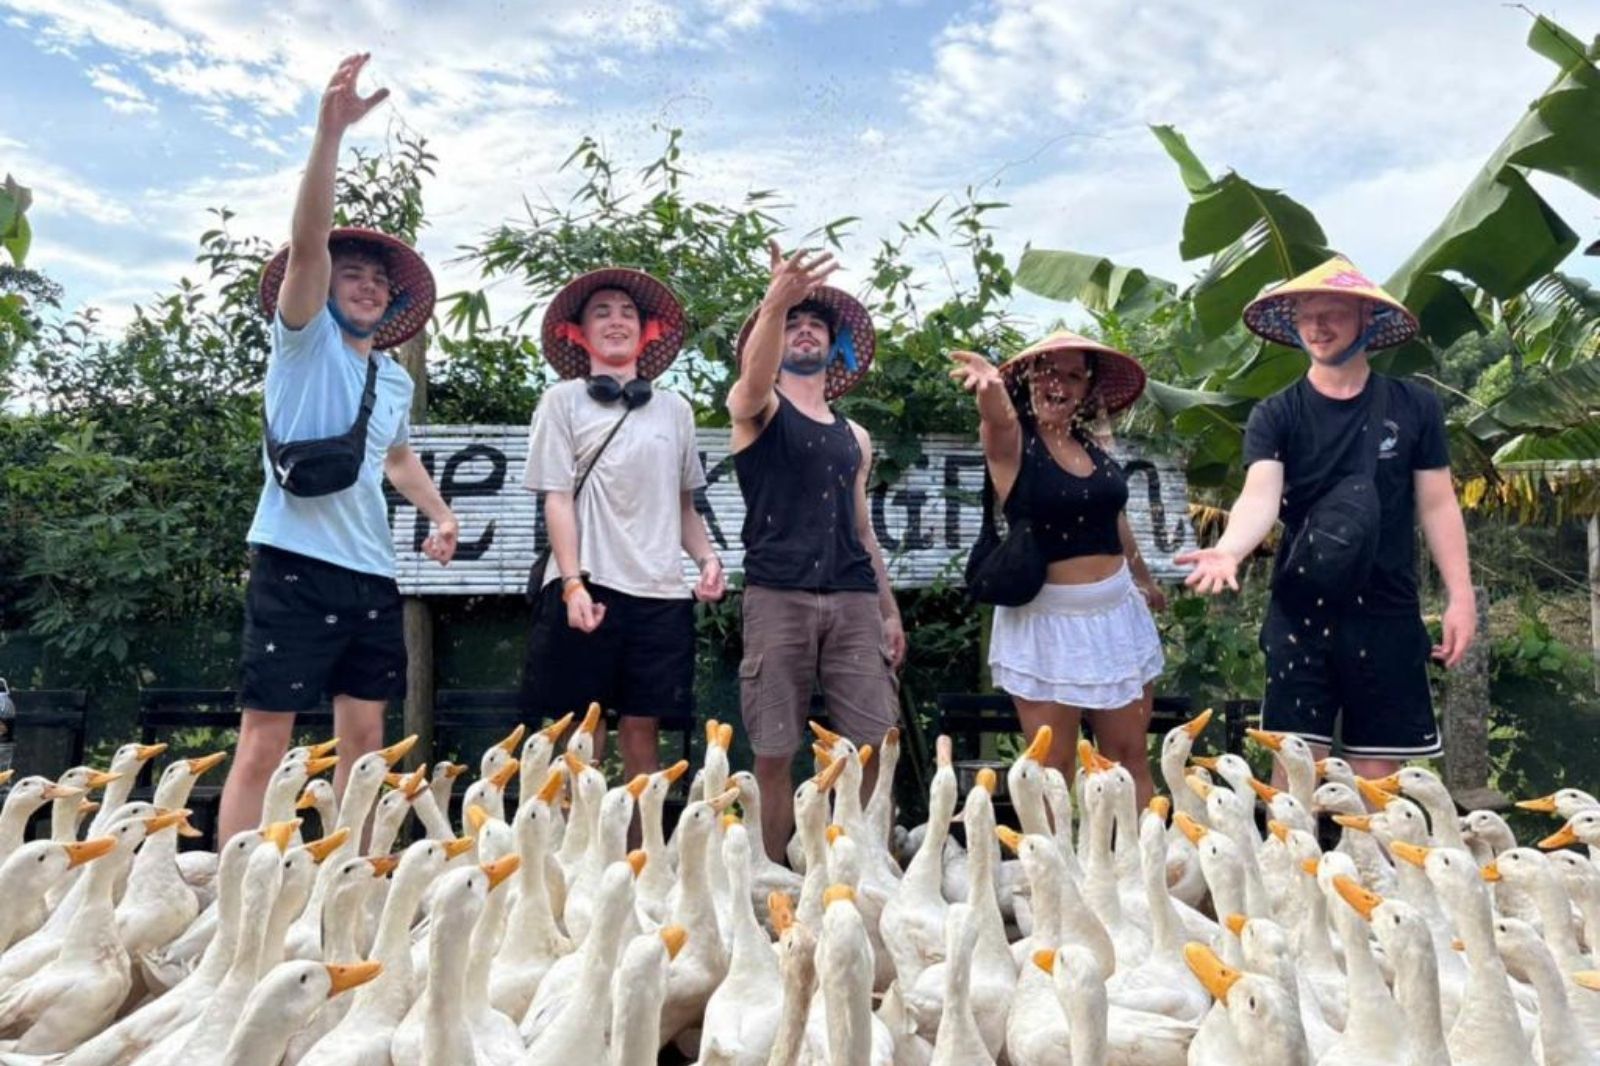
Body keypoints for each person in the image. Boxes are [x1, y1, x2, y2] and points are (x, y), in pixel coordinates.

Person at [218, 54, 459, 842]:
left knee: (366, 745)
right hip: (291, 560)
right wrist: (330, 137)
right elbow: (309, 236)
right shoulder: (302, 340)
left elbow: (393, 456)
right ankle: (234, 900)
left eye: (376, 283)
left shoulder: (391, 379)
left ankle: (353, 884)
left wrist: (438, 511)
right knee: (266, 740)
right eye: (349, 275)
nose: (364, 286)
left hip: (371, 573)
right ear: (325, 285)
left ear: (391, 303)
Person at [1177, 256, 1475, 783]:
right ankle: (1289, 867)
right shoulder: (1277, 413)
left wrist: (1462, 597)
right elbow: (1259, 495)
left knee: (1379, 785)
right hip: (1302, 612)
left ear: (1367, 320)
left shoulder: (1415, 406)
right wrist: (1230, 548)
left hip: (1387, 609)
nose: (1318, 325)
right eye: (1308, 314)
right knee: (1294, 778)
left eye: (1333, 312)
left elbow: (1437, 504)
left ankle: (1377, 868)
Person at [729, 242, 905, 863]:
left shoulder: (855, 435)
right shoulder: (759, 410)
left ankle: (869, 876)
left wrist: (889, 611)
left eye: (816, 325)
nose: (804, 331)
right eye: (792, 324)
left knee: (872, 746)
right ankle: (771, 877)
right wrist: (776, 299)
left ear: (834, 348)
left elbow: (862, 529)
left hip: (855, 600)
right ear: (774, 342)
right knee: (774, 749)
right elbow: (750, 386)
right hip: (777, 595)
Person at [521, 267, 725, 782]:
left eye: (628, 313)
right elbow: (557, 498)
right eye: (602, 312)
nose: (617, 321)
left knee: (644, 733)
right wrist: (572, 583)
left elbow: (683, 505)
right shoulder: (561, 401)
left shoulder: (676, 410)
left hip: (661, 591)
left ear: (646, 330)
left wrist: (707, 559)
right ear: (579, 332)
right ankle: (572, 859)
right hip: (588, 583)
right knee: (579, 734)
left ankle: (641, 856)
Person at [950, 332, 1166, 804]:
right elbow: (997, 420)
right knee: (1053, 767)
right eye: (1048, 371)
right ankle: (1054, 877)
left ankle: (1139, 873)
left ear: (1087, 388)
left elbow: (1115, 516)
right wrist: (989, 387)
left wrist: (1144, 579)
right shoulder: (1012, 443)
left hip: (1116, 615)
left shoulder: (1092, 446)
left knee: (1128, 761)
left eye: (1072, 375)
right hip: (1046, 622)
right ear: (1027, 378)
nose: (1059, 384)